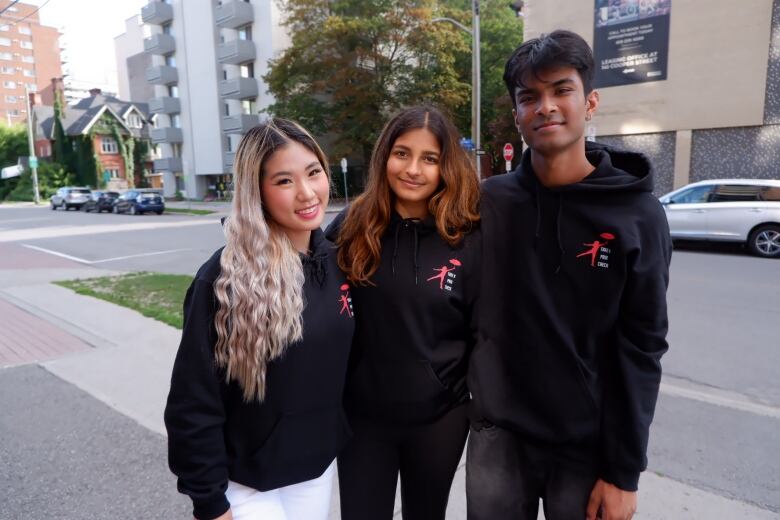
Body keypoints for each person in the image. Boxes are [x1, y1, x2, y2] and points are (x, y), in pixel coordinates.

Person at [467, 30, 672, 520]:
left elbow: (642, 346)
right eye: (529, 97)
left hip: (587, 447)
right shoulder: (488, 202)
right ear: (517, 114)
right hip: (500, 438)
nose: (546, 107)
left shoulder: (637, 215)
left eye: (561, 90)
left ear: (590, 101)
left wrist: (624, 471)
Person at [164, 119, 354, 520]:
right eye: (284, 181)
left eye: (313, 172)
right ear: (258, 192)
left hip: (313, 471)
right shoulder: (224, 278)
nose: (306, 193)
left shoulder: (338, 263)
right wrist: (211, 502)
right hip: (245, 483)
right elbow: (193, 399)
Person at [327, 105, 481, 520]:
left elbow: (483, 329)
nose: (413, 169)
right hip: (362, 419)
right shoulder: (351, 226)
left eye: (429, 158)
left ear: (445, 166)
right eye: (402, 153)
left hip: (439, 420)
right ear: (384, 158)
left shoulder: (466, 237)